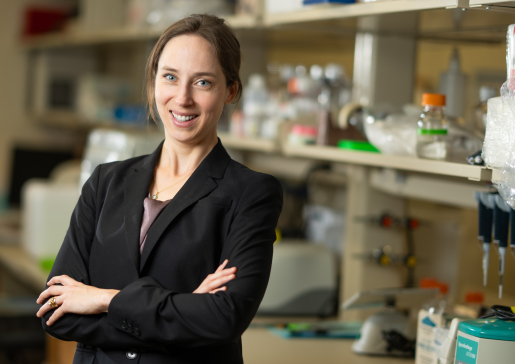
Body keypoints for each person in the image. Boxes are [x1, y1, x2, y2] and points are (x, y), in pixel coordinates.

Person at [36, 14, 283, 364]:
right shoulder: (106, 182)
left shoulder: (251, 193)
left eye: (203, 82)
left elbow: (223, 319)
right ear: (153, 83)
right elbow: (54, 308)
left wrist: (104, 299)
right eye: (170, 77)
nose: (182, 99)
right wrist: (182, 308)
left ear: (230, 91)